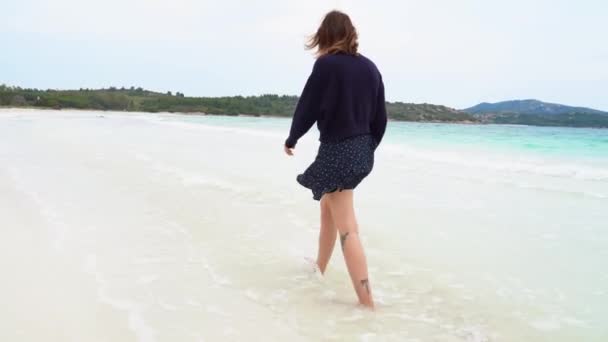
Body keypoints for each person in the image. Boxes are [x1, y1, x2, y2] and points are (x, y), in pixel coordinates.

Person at [283, 10, 387, 309]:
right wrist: (367, 148)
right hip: (361, 149)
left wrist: (292, 137)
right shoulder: (370, 68)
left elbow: (308, 106)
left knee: (348, 228)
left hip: (338, 150)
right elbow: (380, 117)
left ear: (325, 35)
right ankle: (319, 269)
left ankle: (367, 304)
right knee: (328, 210)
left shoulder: (326, 65)